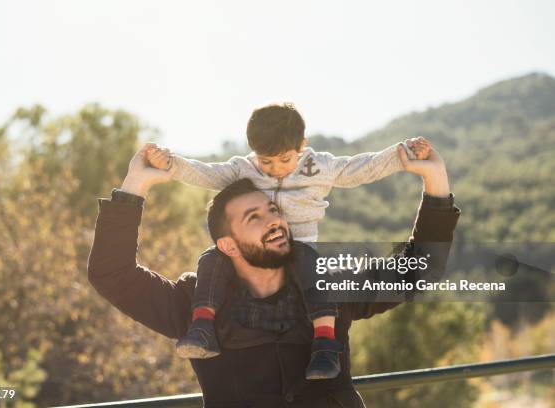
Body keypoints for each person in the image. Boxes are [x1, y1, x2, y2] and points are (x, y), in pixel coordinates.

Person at [88, 141, 460, 408]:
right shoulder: (192, 301)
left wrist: (435, 178)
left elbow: (420, 268)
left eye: (271, 210)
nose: (275, 221)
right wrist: (135, 185)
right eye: (255, 218)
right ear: (228, 245)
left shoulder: (329, 286)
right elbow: (112, 273)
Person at [144, 102, 431, 380]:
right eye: (265, 161)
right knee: (211, 258)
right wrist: (171, 163)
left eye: (285, 159)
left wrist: (400, 154)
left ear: (302, 145)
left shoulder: (320, 166)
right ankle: (203, 325)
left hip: (300, 245)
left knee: (316, 276)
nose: (275, 168)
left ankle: (325, 344)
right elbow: (208, 173)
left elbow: (360, 167)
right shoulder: (243, 168)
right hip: (256, 250)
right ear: (253, 152)